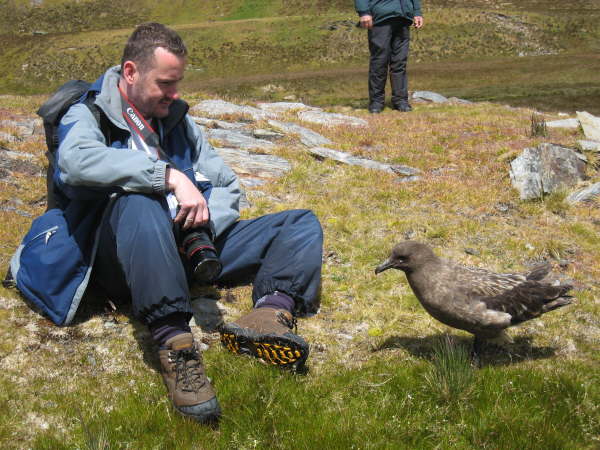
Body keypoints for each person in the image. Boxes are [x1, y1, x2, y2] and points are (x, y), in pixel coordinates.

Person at [18, 23, 323, 424]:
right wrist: (166, 177)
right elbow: (74, 163)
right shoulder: (88, 111)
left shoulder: (175, 119)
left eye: (178, 82)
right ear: (131, 72)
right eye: (166, 83)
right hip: (116, 255)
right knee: (139, 203)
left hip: (179, 248)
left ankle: (268, 316)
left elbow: (228, 184)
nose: (175, 94)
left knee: (298, 225)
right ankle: (175, 344)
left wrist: (200, 222)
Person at [354, 0, 424, 113]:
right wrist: (364, 12)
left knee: (400, 62)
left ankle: (400, 101)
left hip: (403, 18)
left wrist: (417, 12)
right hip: (381, 18)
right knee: (379, 61)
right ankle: (376, 102)